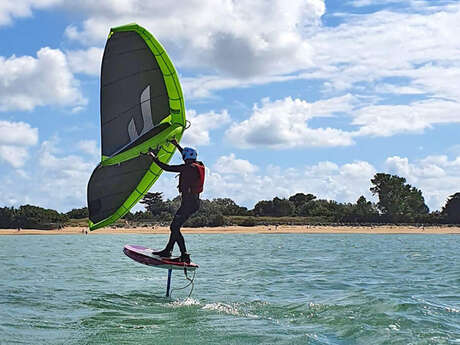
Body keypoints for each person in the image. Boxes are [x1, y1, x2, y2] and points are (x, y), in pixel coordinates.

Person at [147, 138, 205, 263]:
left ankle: (184, 255)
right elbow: (185, 155)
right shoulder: (199, 165)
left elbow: (166, 167)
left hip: (188, 204)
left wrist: (153, 157)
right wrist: (177, 145)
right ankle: (168, 250)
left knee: (174, 227)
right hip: (193, 203)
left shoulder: (187, 168)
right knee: (175, 227)